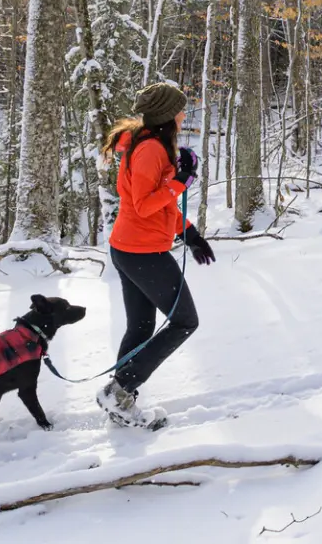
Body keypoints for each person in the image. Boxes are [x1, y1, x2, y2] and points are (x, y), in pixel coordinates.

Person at [95, 82, 215, 428]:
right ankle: (120, 390)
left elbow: (158, 204)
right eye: (180, 109)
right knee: (185, 322)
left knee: (142, 326)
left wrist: (189, 234)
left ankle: (120, 403)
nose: (183, 114)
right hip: (141, 251)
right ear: (167, 116)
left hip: (131, 247)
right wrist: (180, 180)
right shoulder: (150, 150)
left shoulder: (155, 145)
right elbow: (146, 205)